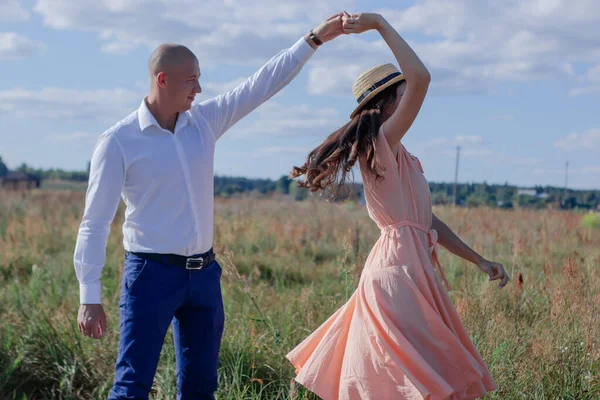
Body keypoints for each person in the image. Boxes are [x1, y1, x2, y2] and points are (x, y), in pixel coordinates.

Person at [73, 13, 345, 400]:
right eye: (192, 79)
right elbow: (94, 222)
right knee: (132, 386)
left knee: (201, 388)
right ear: (161, 80)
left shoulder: (204, 122)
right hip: (150, 277)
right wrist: (89, 296)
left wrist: (313, 40)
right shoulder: (118, 141)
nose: (199, 89)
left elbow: (260, 84)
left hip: (203, 276)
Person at [286, 12, 509, 400]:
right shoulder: (381, 144)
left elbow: (427, 221)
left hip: (407, 269)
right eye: (403, 96)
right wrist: (380, 25)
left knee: (417, 378)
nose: (412, 101)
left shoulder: (400, 154)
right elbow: (422, 78)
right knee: (413, 381)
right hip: (397, 275)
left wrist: (477, 259)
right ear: (387, 104)